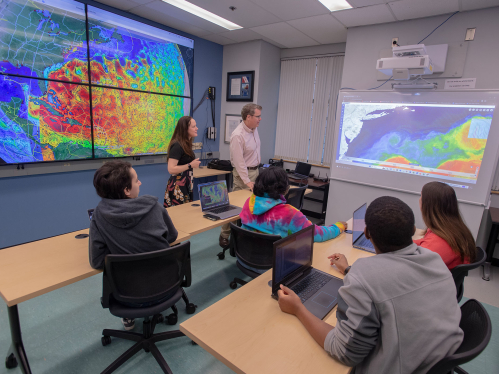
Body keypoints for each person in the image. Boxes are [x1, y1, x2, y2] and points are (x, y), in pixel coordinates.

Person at [277, 196, 463, 374]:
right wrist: (349, 270)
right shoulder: (434, 260)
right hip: (432, 362)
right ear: (413, 229)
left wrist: (298, 309)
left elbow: (343, 351)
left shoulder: (364, 275)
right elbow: (392, 284)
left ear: (366, 233)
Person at [89, 160, 178, 330]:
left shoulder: (99, 216)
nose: (140, 183)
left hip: (127, 296)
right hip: (167, 287)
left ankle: (128, 317)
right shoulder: (155, 206)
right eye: (136, 180)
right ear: (127, 190)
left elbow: (97, 261)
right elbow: (172, 236)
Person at [219, 103, 262, 248]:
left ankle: (246, 235)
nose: (260, 119)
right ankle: (224, 235)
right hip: (243, 173)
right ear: (248, 117)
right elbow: (239, 162)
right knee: (236, 207)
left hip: (255, 171)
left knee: (252, 206)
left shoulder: (254, 129)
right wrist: (247, 181)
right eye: (258, 116)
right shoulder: (238, 135)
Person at [414, 181, 476, 269]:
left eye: (421, 196)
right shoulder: (452, 229)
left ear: (427, 204)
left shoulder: (438, 242)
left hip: (432, 279)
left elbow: (413, 265)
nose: (419, 199)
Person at [164, 116, 201, 207]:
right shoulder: (177, 145)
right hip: (178, 185)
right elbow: (171, 169)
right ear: (185, 129)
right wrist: (190, 165)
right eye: (193, 127)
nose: (197, 128)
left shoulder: (186, 144)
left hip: (186, 183)